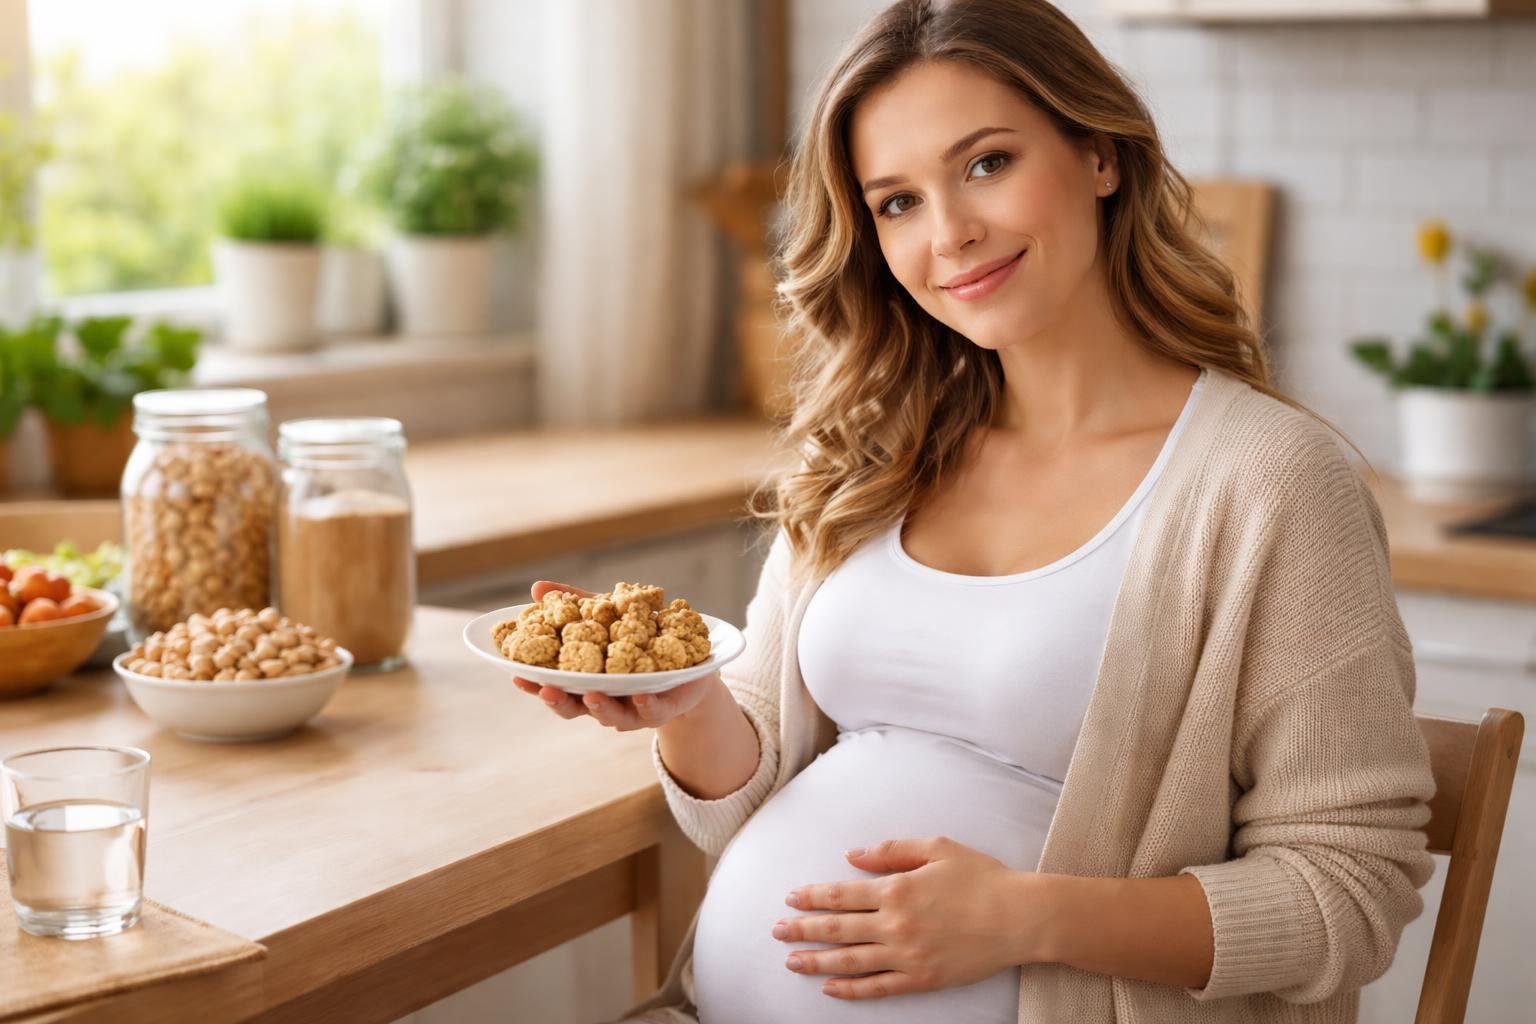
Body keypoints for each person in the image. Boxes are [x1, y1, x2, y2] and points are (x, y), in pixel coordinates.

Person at [513, 1, 1436, 1021]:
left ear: (1099, 155)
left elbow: (1349, 896)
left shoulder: (1268, 482)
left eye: (987, 163)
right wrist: (685, 702)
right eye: (898, 201)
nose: (950, 233)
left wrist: (1024, 918)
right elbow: (747, 787)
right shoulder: (868, 451)